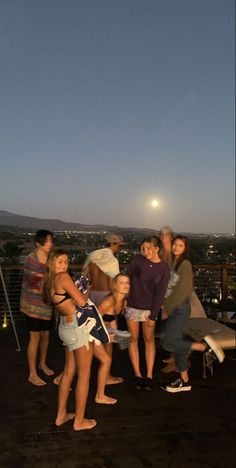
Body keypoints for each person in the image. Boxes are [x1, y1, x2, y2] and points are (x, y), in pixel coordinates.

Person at [44, 250, 117, 431]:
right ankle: (79, 421)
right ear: (52, 263)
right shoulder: (62, 278)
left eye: (66, 262)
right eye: (59, 262)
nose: (64, 265)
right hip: (77, 329)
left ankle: (61, 416)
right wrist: (88, 288)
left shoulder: (49, 280)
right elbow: (82, 302)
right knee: (84, 375)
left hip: (65, 327)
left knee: (69, 372)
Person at [161, 235, 225, 393]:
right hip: (176, 308)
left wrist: (167, 306)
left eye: (180, 245)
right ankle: (184, 381)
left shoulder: (185, 264)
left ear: (185, 249)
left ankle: (202, 346)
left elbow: (184, 290)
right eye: (175, 244)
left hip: (180, 308)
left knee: (167, 343)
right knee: (177, 346)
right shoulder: (173, 263)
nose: (176, 247)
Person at [125, 236, 170, 390]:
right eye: (143, 248)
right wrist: (124, 298)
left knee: (149, 340)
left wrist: (153, 315)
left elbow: (160, 294)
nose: (145, 251)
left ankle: (149, 375)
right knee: (133, 340)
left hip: (149, 309)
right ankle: (138, 375)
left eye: (149, 248)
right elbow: (126, 279)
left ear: (157, 249)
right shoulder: (137, 260)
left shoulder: (163, 268)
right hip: (132, 306)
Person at [20, 229, 54, 386]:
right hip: (33, 305)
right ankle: (32, 373)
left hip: (46, 305)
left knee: (45, 336)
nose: (51, 243)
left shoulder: (51, 258)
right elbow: (35, 286)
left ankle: (42, 363)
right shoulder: (31, 259)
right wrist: (50, 278)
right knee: (34, 338)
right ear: (38, 243)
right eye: (48, 241)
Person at [98, 273, 131, 384]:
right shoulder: (109, 301)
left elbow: (112, 319)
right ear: (115, 286)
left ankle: (107, 377)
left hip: (106, 329)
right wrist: (107, 335)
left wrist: (115, 332)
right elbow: (93, 319)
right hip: (91, 329)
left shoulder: (123, 301)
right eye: (121, 282)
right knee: (78, 364)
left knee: (124, 338)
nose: (125, 285)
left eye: (127, 282)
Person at [82, 233, 125, 306]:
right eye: (119, 245)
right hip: (105, 295)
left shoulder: (93, 254)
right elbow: (115, 282)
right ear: (112, 244)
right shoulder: (112, 260)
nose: (120, 248)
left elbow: (84, 275)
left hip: (91, 293)